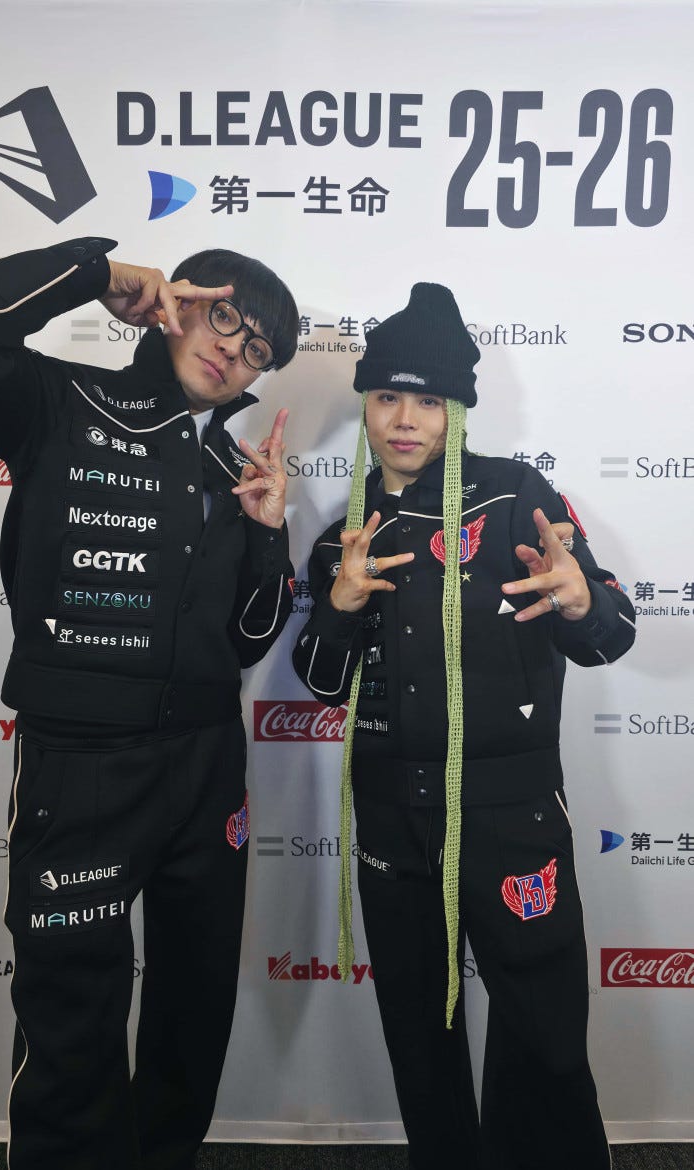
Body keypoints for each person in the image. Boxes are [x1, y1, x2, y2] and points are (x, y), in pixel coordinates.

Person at [0, 236, 299, 1170]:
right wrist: (98, 274)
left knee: (194, 1008)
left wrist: (267, 534)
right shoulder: (60, 402)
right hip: (82, 763)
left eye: (257, 348)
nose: (233, 348)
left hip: (208, 768)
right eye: (224, 315)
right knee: (72, 1024)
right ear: (180, 304)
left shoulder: (235, 473)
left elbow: (246, 643)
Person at [292, 283, 635, 1170]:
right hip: (392, 823)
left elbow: (613, 635)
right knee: (418, 1037)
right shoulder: (343, 537)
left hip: (513, 816)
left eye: (430, 401)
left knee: (547, 1038)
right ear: (367, 404)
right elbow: (322, 686)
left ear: (459, 410)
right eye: (387, 397)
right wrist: (337, 608)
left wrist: (582, 600)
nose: (406, 420)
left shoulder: (520, 496)